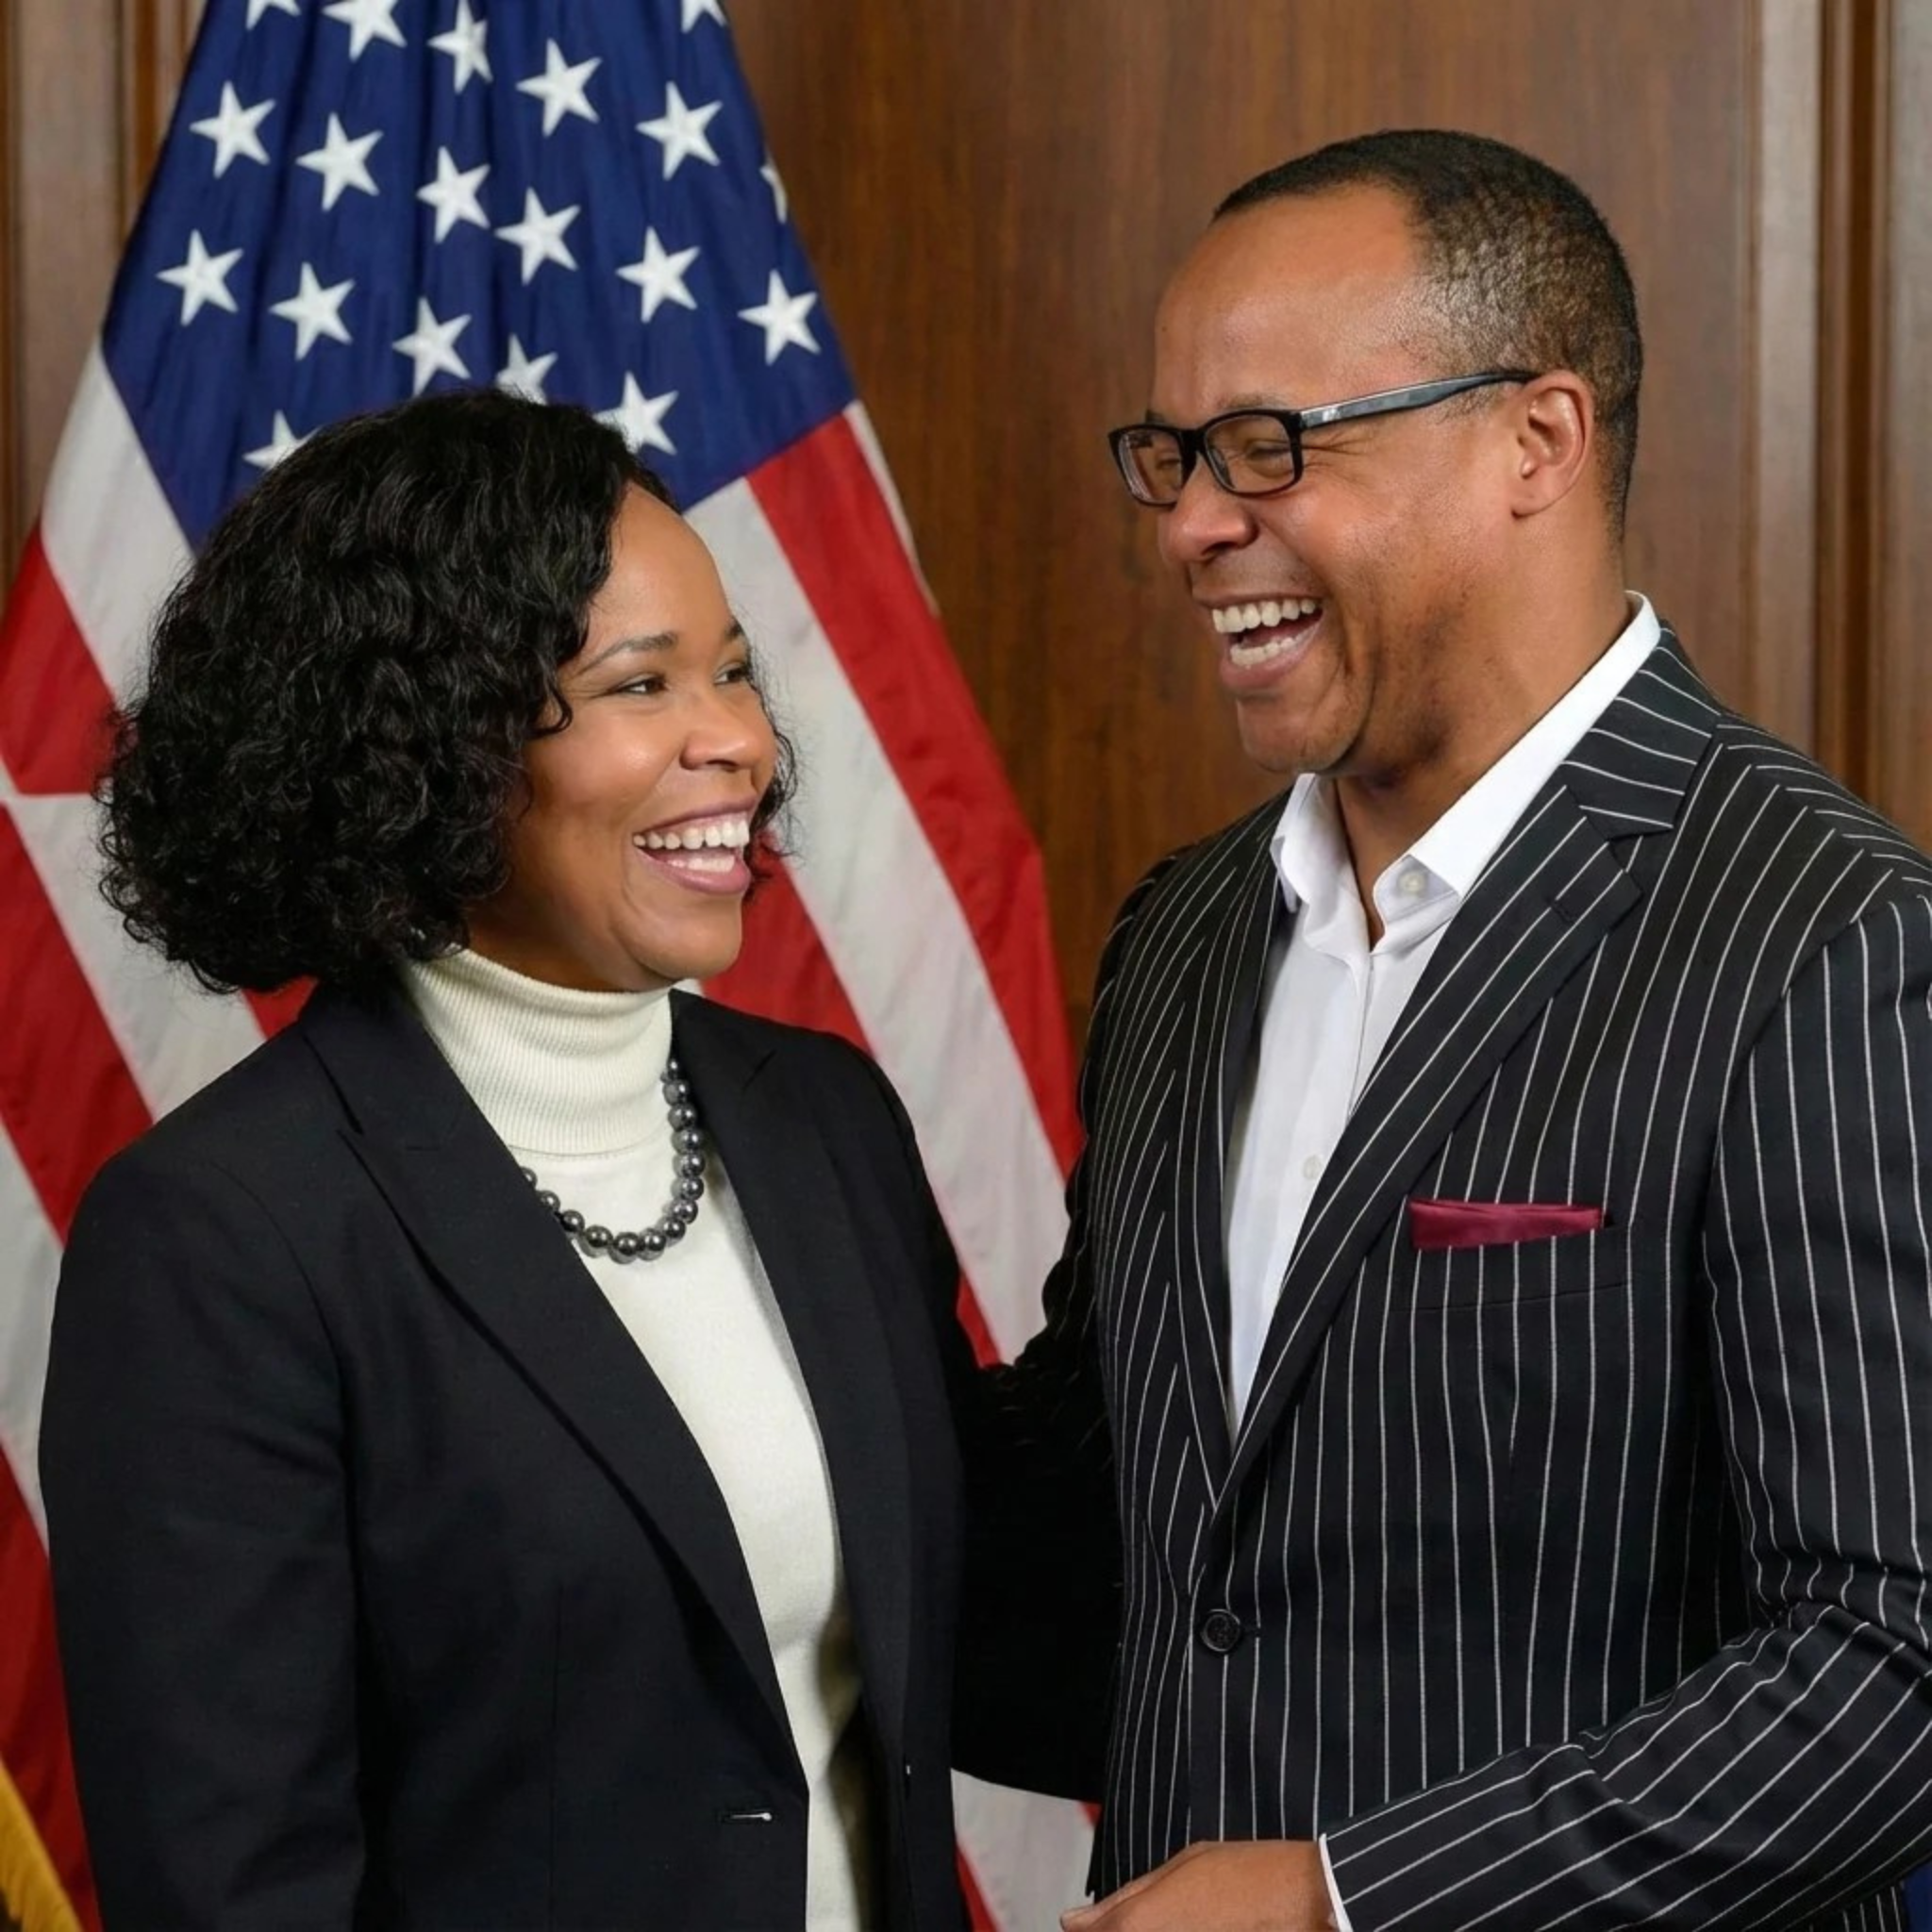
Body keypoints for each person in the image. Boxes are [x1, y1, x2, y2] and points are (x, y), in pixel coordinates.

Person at [975, 129, 1932, 1929]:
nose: (1192, 523)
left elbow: (1901, 1660)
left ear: (1538, 442)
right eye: (1174, 456)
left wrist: (1346, 1902)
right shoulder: (1185, 935)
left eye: (1273, 446)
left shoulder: (1825, 935)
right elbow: (1102, 1539)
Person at [40, 389, 974, 1932]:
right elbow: (234, 1890)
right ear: (429, 744)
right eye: (641, 683)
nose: (738, 738)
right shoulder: (222, 1238)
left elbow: (987, 1627)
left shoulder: (826, 1122)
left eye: (732, 670)